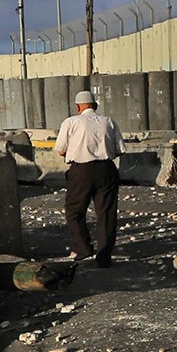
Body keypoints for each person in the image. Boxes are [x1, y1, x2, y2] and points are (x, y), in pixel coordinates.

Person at [54, 88, 121, 266]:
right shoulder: (109, 121)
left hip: (81, 170)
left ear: (78, 107)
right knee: (106, 213)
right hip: (107, 169)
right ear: (96, 105)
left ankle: (83, 248)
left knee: (75, 211)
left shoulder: (71, 122)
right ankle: (104, 256)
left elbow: (60, 150)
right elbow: (119, 150)